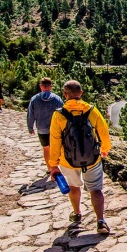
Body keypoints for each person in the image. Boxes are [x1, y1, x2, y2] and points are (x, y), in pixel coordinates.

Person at [49, 80, 112, 234]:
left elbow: (55, 141)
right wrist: (104, 150)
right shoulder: (92, 111)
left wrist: (53, 164)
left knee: (73, 187)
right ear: (81, 93)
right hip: (92, 158)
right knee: (96, 189)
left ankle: (77, 213)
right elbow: (104, 133)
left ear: (65, 95)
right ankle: (100, 221)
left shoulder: (58, 115)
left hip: (68, 161)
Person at [27, 77, 63, 173]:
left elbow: (30, 114)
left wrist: (30, 127)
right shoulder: (56, 98)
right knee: (56, 148)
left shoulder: (34, 99)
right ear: (51, 86)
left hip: (41, 129)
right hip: (55, 129)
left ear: (41, 86)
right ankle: (57, 167)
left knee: (46, 148)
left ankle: (49, 168)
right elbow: (63, 113)